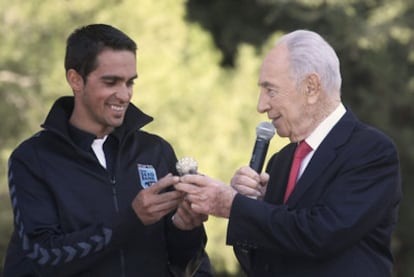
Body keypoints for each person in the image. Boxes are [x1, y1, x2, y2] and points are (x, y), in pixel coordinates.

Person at [175, 30, 402, 276]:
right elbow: (263, 263)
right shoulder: (280, 162)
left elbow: (321, 234)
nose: (261, 106)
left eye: (271, 91)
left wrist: (234, 206)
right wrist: (254, 205)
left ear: (311, 87)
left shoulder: (371, 151)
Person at [3, 23, 212, 277]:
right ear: (75, 80)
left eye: (130, 82)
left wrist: (186, 229)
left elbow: (189, 266)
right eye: (111, 82)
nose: (124, 95)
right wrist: (130, 220)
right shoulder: (33, 159)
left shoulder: (155, 151)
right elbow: (43, 257)